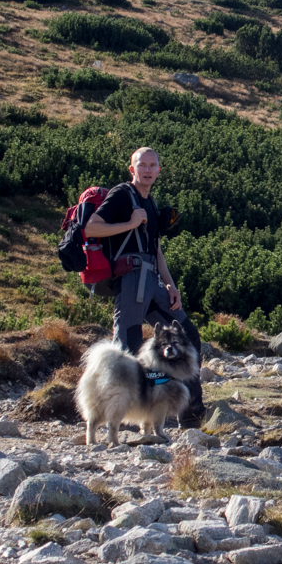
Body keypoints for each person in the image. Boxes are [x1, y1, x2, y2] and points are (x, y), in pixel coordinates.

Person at [83, 146, 205, 428]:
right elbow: (91, 227)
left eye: (153, 165)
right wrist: (129, 223)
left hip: (153, 281)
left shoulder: (150, 201)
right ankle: (130, 414)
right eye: (142, 165)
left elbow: (157, 250)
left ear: (159, 170)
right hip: (132, 280)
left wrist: (171, 286)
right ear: (132, 169)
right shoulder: (122, 195)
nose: (148, 170)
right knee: (129, 346)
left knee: (187, 336)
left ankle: (190, 412)